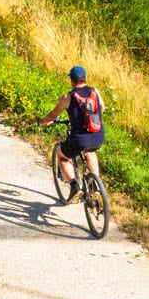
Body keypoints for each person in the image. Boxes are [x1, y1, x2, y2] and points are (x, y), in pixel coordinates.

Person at [38, 65, 106, 199]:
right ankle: (96, 186)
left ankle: (74, 185)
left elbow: (53, 114)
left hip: (79, 139)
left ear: (72, 80)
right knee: (90, 152)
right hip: (98, 136)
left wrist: (42, 122)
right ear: (85, 78)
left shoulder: (68, 97)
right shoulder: (95, 91)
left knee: (62, 156)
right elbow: (102, 108)